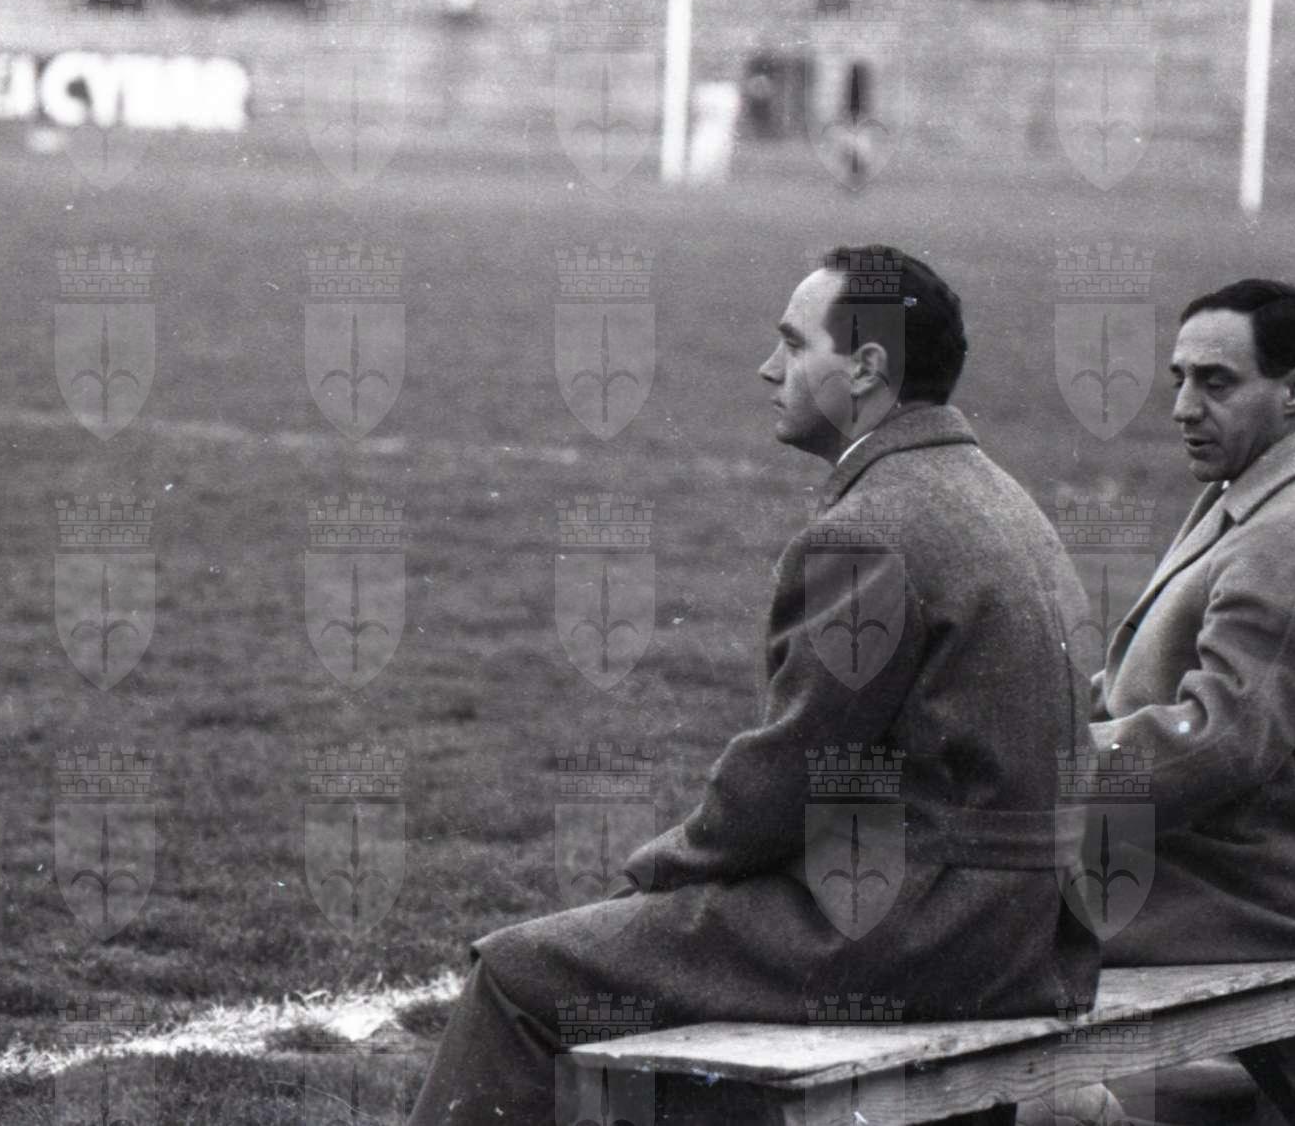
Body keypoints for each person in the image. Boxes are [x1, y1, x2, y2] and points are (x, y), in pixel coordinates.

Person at [406, 246, 1103, 1125]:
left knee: (518, 976)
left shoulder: (872, 527)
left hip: (920, 932)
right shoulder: (997, 494)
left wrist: (655, 873)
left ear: (867, 367)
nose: (768, 369)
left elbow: (786, 778)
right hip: (1026, 930)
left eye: (793, 344)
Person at [1085, 277, 1295, 967]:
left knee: (931, 903)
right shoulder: (1272, 488)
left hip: (1243, 890)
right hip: (1207, 858)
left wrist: (1030, 766)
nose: (1183, 408)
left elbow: (1218, 746)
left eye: (1216, 383)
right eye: (1180, 379)